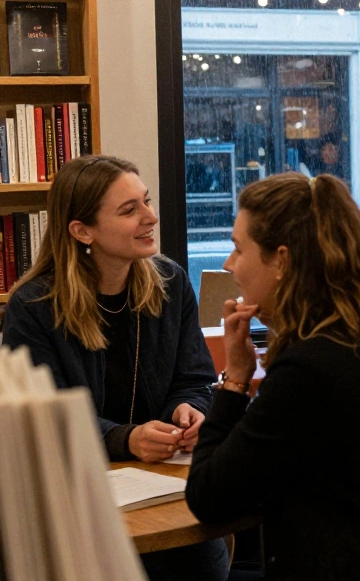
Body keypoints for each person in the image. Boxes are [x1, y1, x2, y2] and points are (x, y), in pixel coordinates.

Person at [186, 173, 360, 581]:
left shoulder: (312, 366)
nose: (230, 266)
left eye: (237, 249)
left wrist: (235, 380)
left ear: (281, 260)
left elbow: (208, 497)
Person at [0, 155, 224, 580]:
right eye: (130, 210)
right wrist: (126, 438)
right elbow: (42, 417)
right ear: (82, 231)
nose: (151, 217)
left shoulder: (171, 283)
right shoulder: (34, 306)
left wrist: (191, 409)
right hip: (75, 499)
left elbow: (194, 379)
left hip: (162, 486)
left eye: (147, 201)